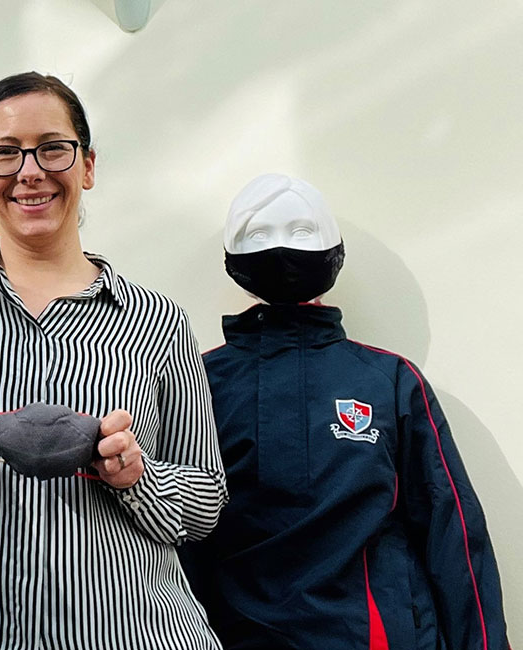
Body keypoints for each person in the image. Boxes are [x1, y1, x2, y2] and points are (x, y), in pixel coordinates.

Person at [0, 72, 228, 650]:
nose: (30, 171)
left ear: (87, 166)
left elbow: (205, 503)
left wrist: (136, 475)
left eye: (52, 148)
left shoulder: (158, 319)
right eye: (5, 154)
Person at [180, 173, 510, 649]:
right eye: (258, 234)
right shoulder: (197, 381)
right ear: (235, 259)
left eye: (299, 232)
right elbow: (177, 534)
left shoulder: (391, 381)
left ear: (332, 249)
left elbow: (452, 529)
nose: (281, 249)